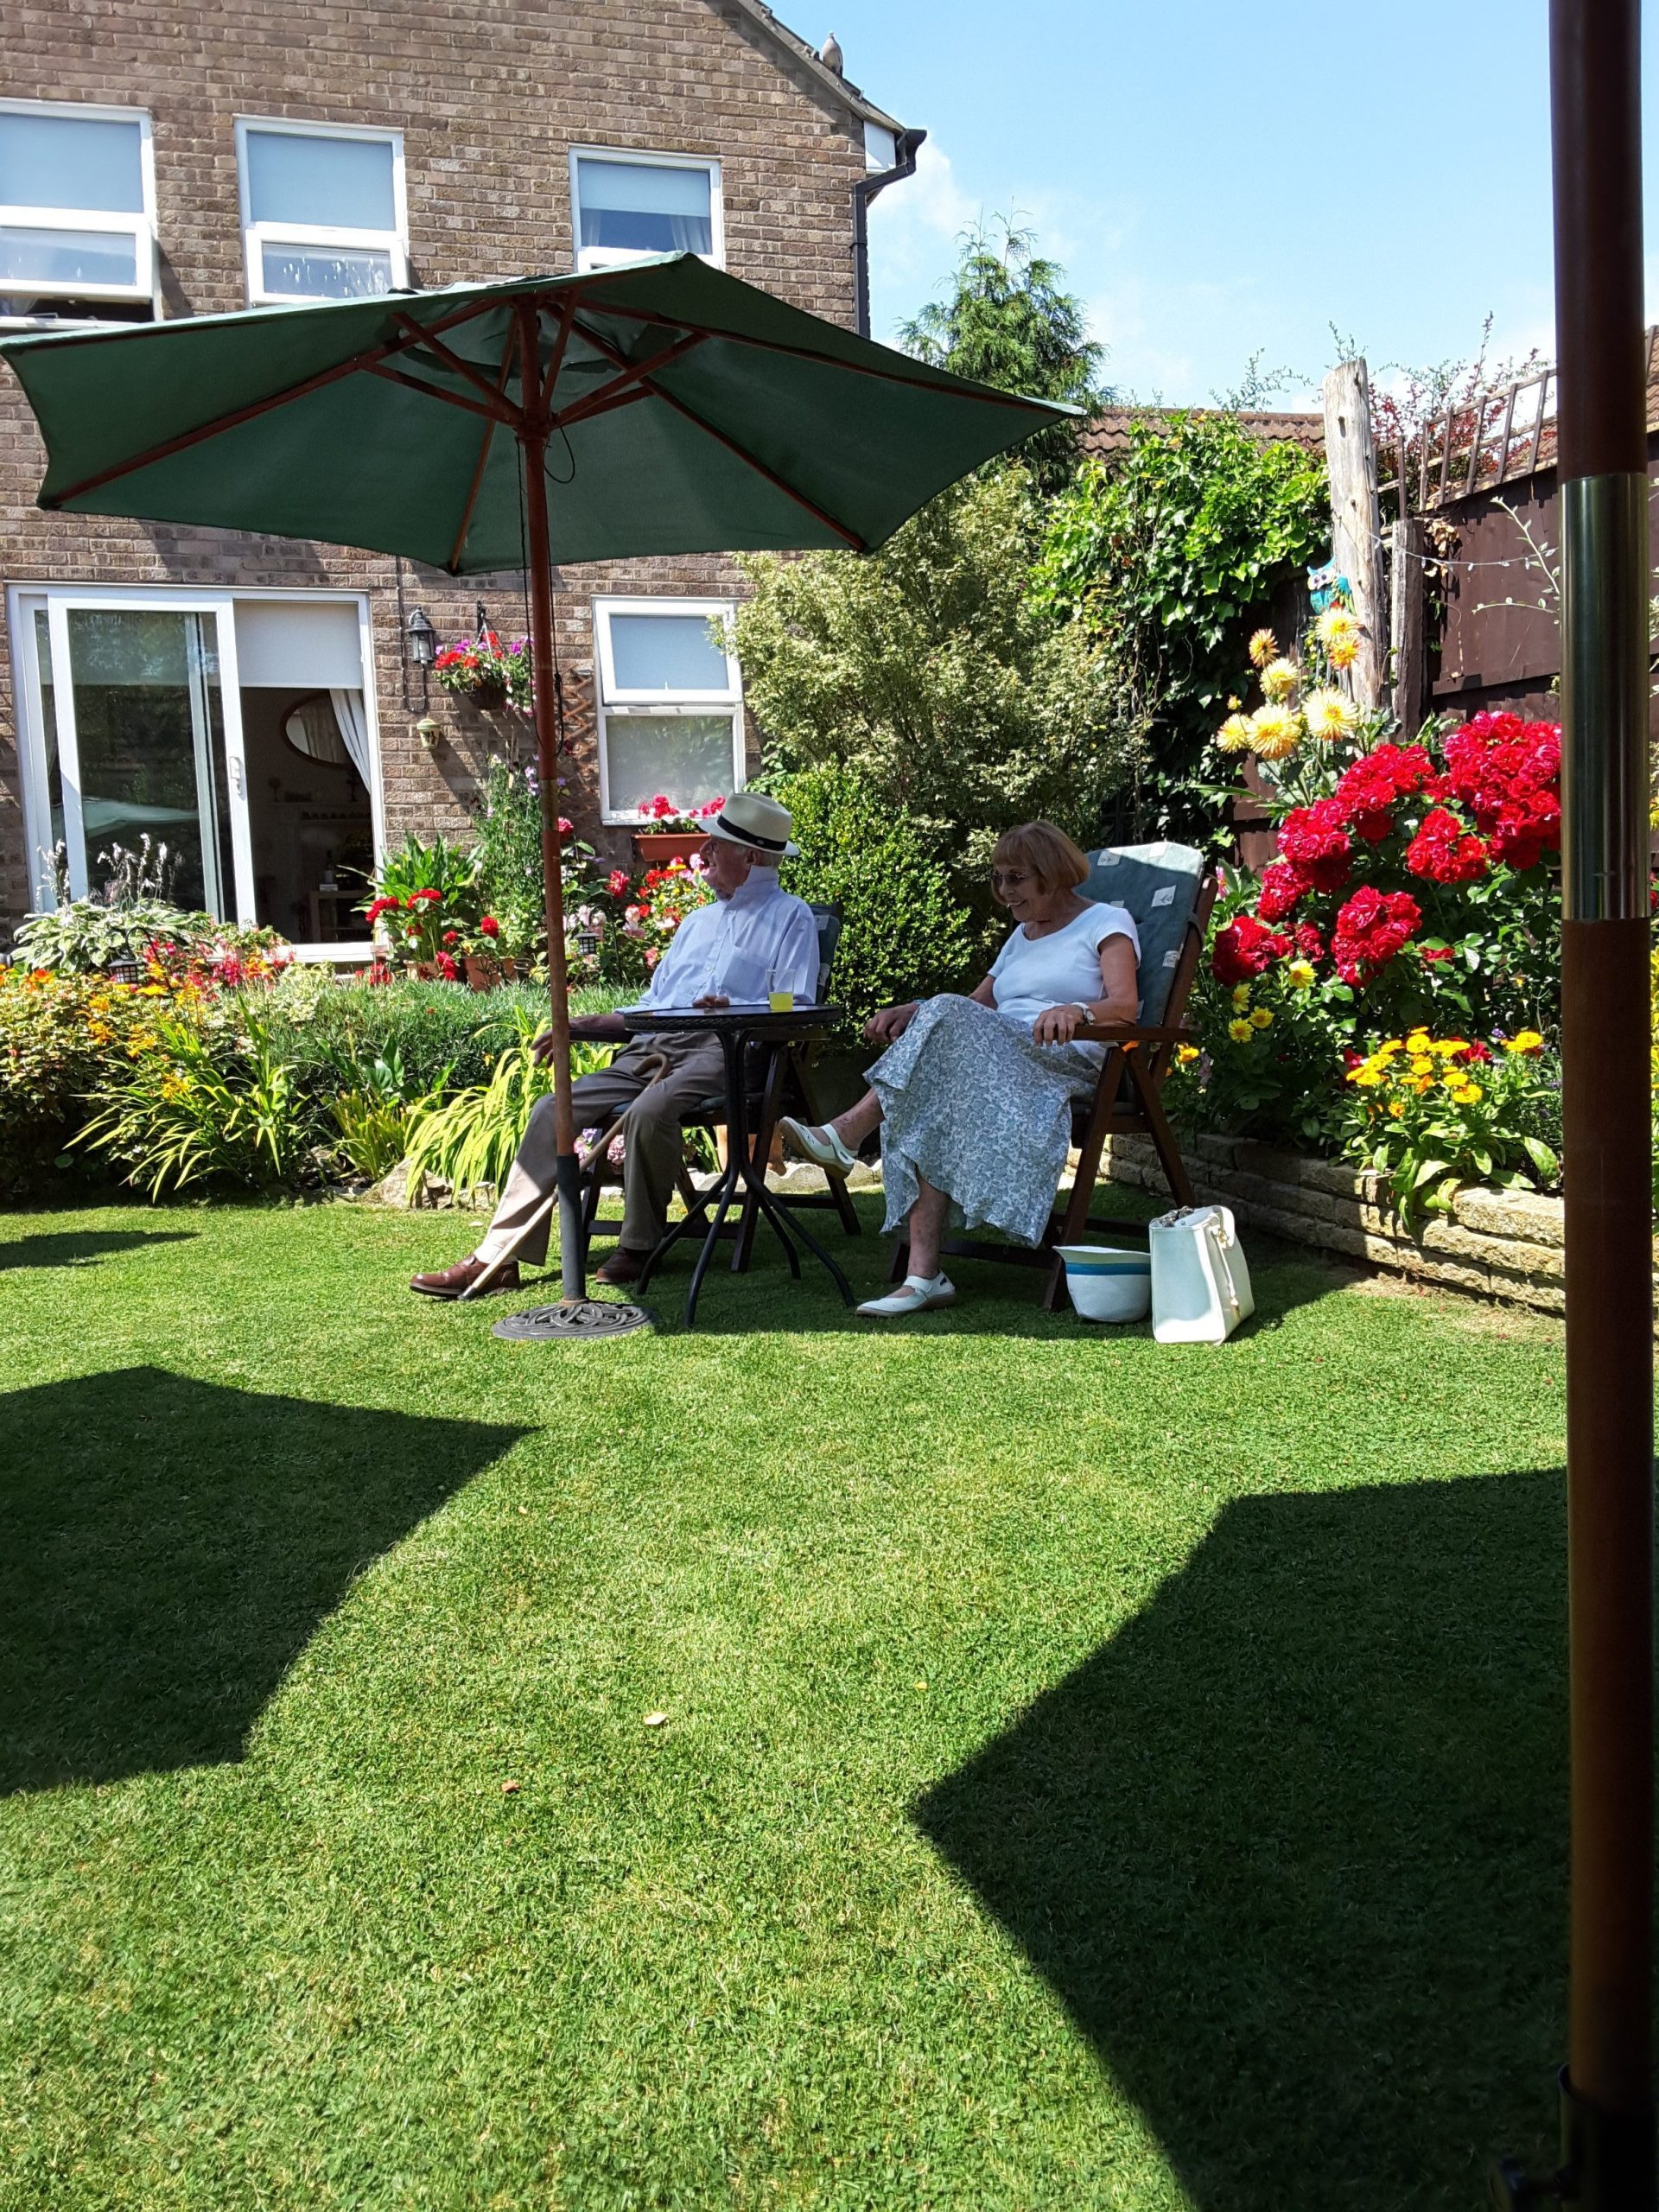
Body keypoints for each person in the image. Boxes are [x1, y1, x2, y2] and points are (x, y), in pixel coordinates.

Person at [410, 791, 817, 1297]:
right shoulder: (696, 923)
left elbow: (798, 1006)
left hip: (725, 1052)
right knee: (551, 1109)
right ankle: (499, 1258)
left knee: (650, 1112)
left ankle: (639, 1244)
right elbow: (652, 1003)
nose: (704, 852)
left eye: (716, 844)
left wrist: (736, 1007)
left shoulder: (792, 917)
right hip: (651, 1046)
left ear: (750, 857)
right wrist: (589, 1023)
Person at [780, 820, 1139, 1319]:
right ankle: (924, 1277)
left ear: (1053, 874)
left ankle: (848, 1132)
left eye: (1015, 877)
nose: (1004, 890)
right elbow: (976, 1005)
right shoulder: (1021, 936)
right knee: (934, 1091)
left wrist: (1079, 1010)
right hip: (1001, 1056)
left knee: (943, 1024)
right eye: (997, 878)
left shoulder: (1106, 922)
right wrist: (916, 1010)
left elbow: (1125, 1006)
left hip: (1060, 1060)